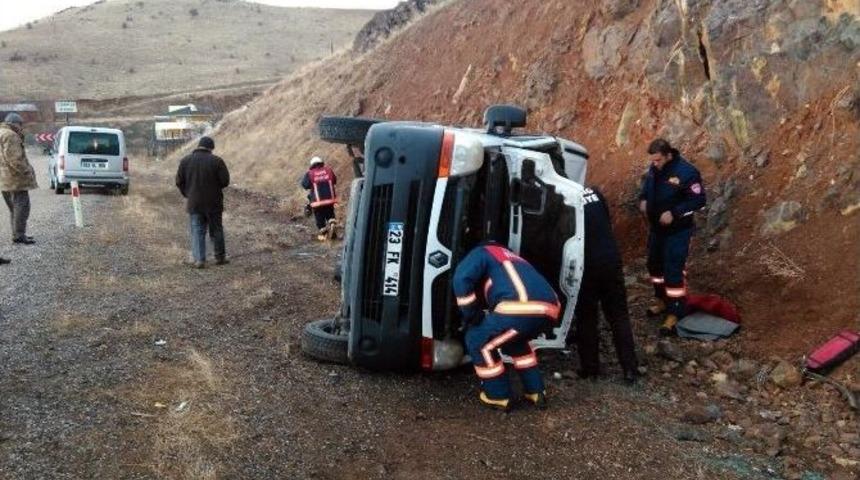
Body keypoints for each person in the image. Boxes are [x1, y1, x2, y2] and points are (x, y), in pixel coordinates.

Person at [453, 242, 560, 411]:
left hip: (520, 307)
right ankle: (536, 392)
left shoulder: (482, 252)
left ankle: (497, 396)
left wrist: (472, 315)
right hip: (551, 310)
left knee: (478, 340)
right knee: (515, 341)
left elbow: (461, 278)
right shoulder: (513, 258)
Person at [638, 138, 706, 335]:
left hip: (677, 232)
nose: (654, 164)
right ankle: (661, 299)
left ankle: (676, 311)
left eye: (658, 160)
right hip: (657, 230)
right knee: (654, 266)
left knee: (673, 270)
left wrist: (674, 213)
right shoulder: (655, 169)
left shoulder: (687, 173)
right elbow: (647, 189)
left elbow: (699, 201)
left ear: (668, 155)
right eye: (652, 161)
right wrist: (643, 200)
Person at [572, 187, 639, 383]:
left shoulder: (565, 197)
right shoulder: (595, 192)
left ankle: (590, 369)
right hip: (610, 259)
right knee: (619, 316)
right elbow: (607, 223)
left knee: (587, 317)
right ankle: (630, 369)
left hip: (586, 264)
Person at [175, 136, 230, 269]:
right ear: (211, 148)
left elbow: (178, 181)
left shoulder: (185, 161)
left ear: (198, 146)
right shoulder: (217, 161)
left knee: (197, 231)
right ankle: (220, 257)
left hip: (195, 203)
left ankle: (200, 260)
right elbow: (225, 181)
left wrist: (188, 194)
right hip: (214, 203)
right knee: (216, 230)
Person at [0, 113, 38, 246]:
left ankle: (16, 234)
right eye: (20, 124)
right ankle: (19, 236)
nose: (22, 127)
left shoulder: (1, 133)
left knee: (14, 209)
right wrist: (27, 172)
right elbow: (15, 159)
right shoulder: (11, 135)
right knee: (22, 208)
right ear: (15, 123)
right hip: (16, 179)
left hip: (4, 179)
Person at [301, 156, 337, 241]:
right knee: (330, 213)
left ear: (312, 165)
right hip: (330, 200)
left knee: (319, 218)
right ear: (321, 163)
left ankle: (325, 234)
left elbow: (305, 185)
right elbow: (335, 180)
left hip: (317, 202)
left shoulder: (310, 173)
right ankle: (332, 222)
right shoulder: (329, 170)